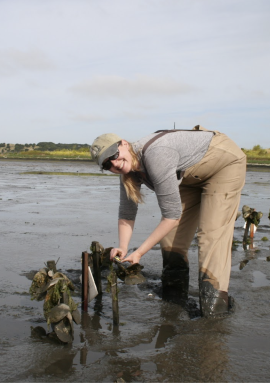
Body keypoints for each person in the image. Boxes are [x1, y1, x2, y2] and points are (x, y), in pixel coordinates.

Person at [89, 125, 246, 318]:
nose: (114, 164)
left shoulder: (156, 155)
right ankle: (174, 299)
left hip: (223, 164)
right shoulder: (127, 172)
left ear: (123, 144)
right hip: (189, 175)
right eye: (106, 165)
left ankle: (215, 309)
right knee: (170, 240)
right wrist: (123, 247)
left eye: (113, 155)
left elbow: (172, 216)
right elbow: (127, 212)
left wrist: (139, 252)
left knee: (211, 237)